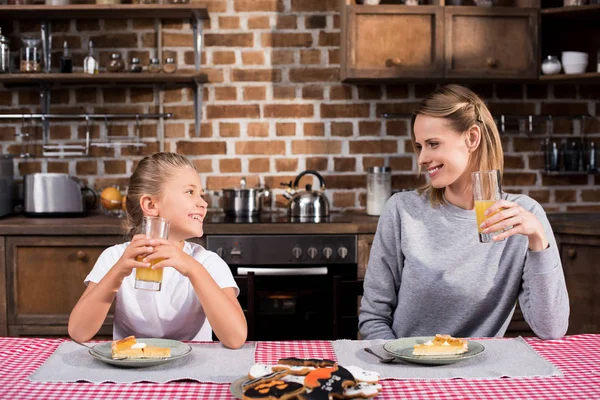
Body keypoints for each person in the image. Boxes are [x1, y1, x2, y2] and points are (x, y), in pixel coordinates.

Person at [359, 85, 569, 340]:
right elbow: (373, 318)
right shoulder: (403, 210)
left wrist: (538, 239)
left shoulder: (522, 217)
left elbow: (552, 329)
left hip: (478, 373)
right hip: (407, 367)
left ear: (472, 138)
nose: (422, 159)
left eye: (433, 144)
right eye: (419, 146)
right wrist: (399, 364)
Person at [68, 152, 247, 349]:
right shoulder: (115, 258)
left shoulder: (207, 262)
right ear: (151, 205)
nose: (203, 203)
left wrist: (192, 268)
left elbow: (235, 338)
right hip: (131, 369)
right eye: (190, 192)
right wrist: (117, 272)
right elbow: (78, 332)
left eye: (201, 195)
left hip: (192, 368)